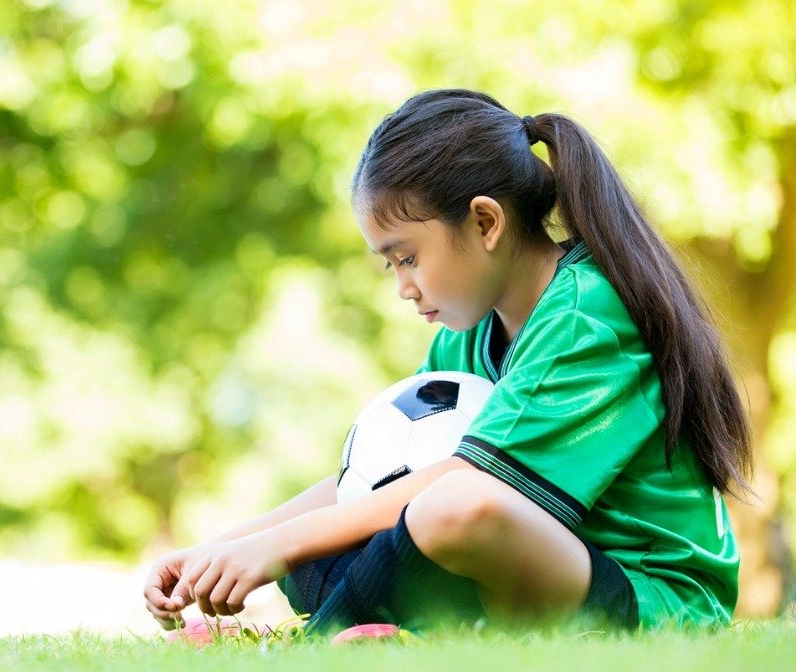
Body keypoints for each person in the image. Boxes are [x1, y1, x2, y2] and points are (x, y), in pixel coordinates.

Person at [142, 88, 753, 635]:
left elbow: (470, 485)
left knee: (456, 507)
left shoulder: (586, 315)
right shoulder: (468, 329)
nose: (403, 286)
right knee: (340, 533)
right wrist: (222, 548)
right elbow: (376, 478)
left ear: (485, 222)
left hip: (650, 599)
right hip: (536, 573)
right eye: (390, 265)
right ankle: (378, 629)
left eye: (406, 257)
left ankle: (320, 638)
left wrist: (277, 547)